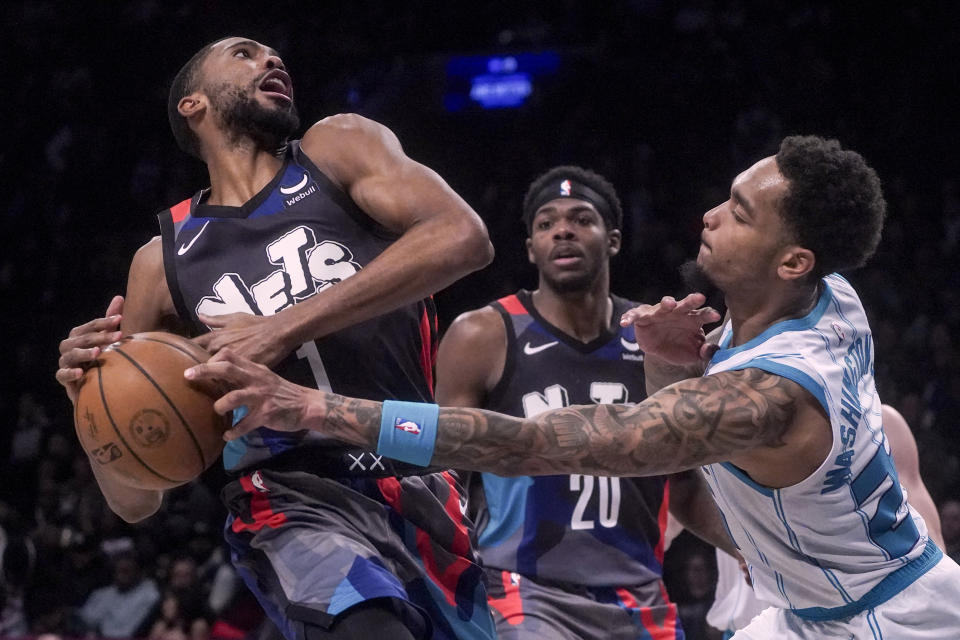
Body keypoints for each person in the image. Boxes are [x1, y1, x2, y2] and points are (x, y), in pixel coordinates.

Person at [188, 135, 960, 638]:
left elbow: (530, 443)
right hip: (800, 603)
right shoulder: (832, 296)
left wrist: (314, 406)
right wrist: (668, 369)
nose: (709, 215)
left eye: (740, 213)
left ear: (792, 261)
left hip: (878, 622)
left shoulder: (765, 396)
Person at [55, 36, 497, 640]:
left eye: (273, 55)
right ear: (193, 104)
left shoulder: (337, 148)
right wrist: (90, 401)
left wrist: (281, 327)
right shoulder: (162, 262)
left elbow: (464, 237)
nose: (272, 60)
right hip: (290, 495)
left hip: (419, 470)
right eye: (243, 53)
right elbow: (137, 500)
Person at [435, 165, 737, 639]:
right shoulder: (482, 335)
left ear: (613, 239)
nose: (563, 230)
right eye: (546, 223)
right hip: (522, 590)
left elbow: (684, 484)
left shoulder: (655, 335)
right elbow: (444, 480)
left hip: (640, 593)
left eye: (581, 218)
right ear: (532, 247)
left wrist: (756, 547)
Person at [704, 403, 947, 638]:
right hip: (771, 617)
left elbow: (930, 540)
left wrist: (932, 603)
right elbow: (687, 501)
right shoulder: (711, 437)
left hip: (876, 605)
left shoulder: (879, 421)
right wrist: (743, 548)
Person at [77, 551, 160, 639]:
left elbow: (128, 632)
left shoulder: (150, 596)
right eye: (118, 571)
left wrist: (97, 632)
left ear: (139, 572)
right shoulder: (101, 594)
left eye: (126, 571)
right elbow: (84, 620)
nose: (121, 576)